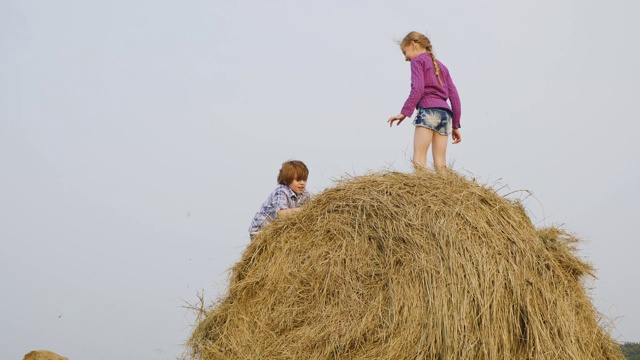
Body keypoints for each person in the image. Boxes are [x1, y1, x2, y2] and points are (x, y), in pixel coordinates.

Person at [388, 31, 462, 171]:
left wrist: (404, 112)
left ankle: (420, 192)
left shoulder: (418, 61)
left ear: (413, 45)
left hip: (428, 110)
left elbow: (418, 89)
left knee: (419, 158)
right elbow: (455, 97)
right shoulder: (443, 67)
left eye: (405, 53)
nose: (406, 59)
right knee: (441, 163)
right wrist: (455, 125)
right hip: (445, 115)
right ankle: (444, 191)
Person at [248, 160, 310, 239]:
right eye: (298, 180)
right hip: (260, 230)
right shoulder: (281, 191)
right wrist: (303, 209)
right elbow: (281, 214)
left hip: (278, 229)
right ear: (286, 180)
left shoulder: (304, 194)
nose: (302, 183)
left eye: (304, 180)